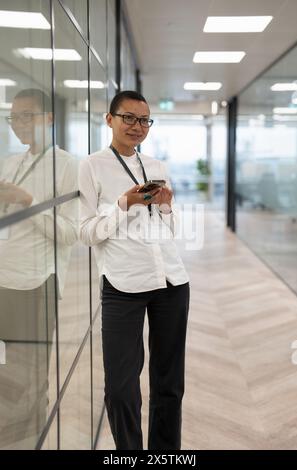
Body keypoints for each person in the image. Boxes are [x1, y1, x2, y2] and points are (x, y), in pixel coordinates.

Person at [79, 90, 190, 450]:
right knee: (122, 387)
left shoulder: (156, 166)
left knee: (169, 384)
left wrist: (168, 208)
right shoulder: (92, 166)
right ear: (109, 119)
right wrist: (122, 204)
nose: (137, 127)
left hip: (171, 281)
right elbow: (85, 232)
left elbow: (171, 233)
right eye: (128, 118)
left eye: (144, 120)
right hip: (122, 283)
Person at [0, 88, 78, 449]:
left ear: (50, 118)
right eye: (14, 117)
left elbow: (69, 232)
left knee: (31, 374)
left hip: (36, 281)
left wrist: (28, 201)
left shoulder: (68, 166)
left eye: (27, 115)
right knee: (5, 371)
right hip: (3, 277)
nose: (19, 124)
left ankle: (31, 440)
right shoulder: (9, 163)